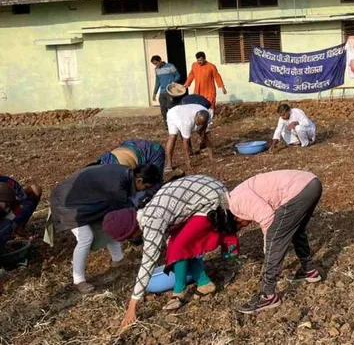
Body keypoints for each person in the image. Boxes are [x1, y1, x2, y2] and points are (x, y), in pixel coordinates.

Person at [101, 175, 228, 327]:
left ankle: (181, 291)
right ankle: (203, 282)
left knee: (178, 245)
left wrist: (132, 305)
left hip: (214, 197)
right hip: (207, 186)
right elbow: (170, 239)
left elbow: (148, 263)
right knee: (176, 244)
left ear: (131, 232)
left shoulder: (152, 221)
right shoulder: (148, 209)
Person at [49, 164, 160, 293]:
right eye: (144, 188)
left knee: (112, 222)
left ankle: (118, 259)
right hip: (66, 202)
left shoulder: (125, 175)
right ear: (139, 180)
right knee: (86, 237)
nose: (142, 191)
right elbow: (125, 224)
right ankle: (78, 280)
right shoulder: (118, 187)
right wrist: (140, 244)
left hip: (84, 200)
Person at [226, 170, 323, 314]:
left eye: (241, 226)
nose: (245, 226)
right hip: (312, 184)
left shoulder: (236, 203)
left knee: (274, 236)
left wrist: (269, 251)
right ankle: (309, 270)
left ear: (236, 219)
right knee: (296, 230)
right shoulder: (236, 195)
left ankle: (268, 295)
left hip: (299, 189)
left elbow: (267, 219)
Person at [162, 210, 239, 310]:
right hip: (182, 217)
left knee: (179, 247)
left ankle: (178, 293)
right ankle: (204, 282)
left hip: (201, 212)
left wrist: (134, 299)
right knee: (183, 247)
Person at [92, 139, 165, 201]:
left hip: (152, 151)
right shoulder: (103, 167)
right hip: (129, 147)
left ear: (139, 180)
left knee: (153, 187)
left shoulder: (121, 174)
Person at [165, 104, 214, 171]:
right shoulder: (186, 122)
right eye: (198, 122)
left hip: (186, 111)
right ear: (196, 117)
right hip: (174, 115)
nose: (199, 125)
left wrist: (202, 137)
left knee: (206, 134)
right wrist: (187, 159)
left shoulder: (207, 114)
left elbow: (205, 125)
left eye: (200, 124)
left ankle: (212, 157)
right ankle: (169, 163)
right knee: (173, 137)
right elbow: (185, 141)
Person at [0, 176, 42, 250]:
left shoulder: (4, 181)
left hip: (11, 211)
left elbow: (20, 194)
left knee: (35, 189)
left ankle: (18, 227)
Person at [151, 55, 181, 127]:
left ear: (160, 60)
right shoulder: (156, 69)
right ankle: (167, 124)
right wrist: (154, 93)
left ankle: (175, 123)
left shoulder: (170, 66)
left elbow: (178, 75)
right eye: (154, 64)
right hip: (162, 92)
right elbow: (157, 81)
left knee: (171, 107)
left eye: (156, 63)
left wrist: (173, 82)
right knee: (163, 109)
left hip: (170, 91)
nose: (156, 65)